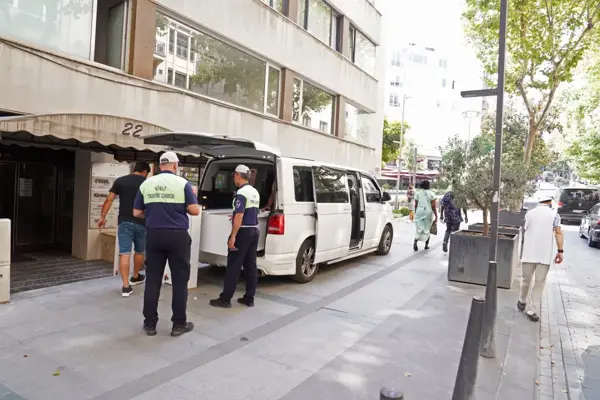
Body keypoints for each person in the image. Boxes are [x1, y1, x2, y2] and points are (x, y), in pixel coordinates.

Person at [133, 152, 200, 337]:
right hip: (177, 236)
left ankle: (150, 324)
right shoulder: (182, 184)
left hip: (154, 235)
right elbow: (194, 211)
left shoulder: (146, 184)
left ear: (159, 165)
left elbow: (136, 212)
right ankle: (179, 324)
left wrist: (155, 214)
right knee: (179, 281)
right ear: (175, 165)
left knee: (153, 280)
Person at [210, 165, 260, 308]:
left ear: (238, 175)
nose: (234, 178)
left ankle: (225, 299)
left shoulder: (241, 193)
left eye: (234, 176)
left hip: (243, 232)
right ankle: (249, 297)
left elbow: (239, 215)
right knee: (250, 266)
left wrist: (233, 236)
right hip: (254, 230)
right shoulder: (254, 192)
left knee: (234, 266)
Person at [99, 161, 151, 297]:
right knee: (140, 251)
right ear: (144, 171)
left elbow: (109, 199)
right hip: (141, 222)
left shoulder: (120, 181)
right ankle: (135, 277)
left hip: (124, 221)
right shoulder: (147, 183)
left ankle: (126, 286)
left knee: (125, 253)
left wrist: (102, 217)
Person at [517, 196, 564, 322]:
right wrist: (560, 251)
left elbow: (525, 230)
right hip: (544, 255)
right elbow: (558, 233)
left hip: (529, 253)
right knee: (539, 282)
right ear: (550, 202)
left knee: (526, 279)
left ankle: (522, 300)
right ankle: (532, 309)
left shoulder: (529, 214)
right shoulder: (555, 216)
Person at [440, 186, 469, 253]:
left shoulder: (447, 194)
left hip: (448, 215)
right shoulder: (461, 196)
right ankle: (454, 246)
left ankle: (445, 241)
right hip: (456, 215)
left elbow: (442, 205)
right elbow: (464, 207)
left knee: (448, 229)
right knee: (455, 231)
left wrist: (441, 215)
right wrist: (466, 216)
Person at [413, 180, 437, 251]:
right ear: (428, 185)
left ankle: (415, 241)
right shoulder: (432, 194)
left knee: (419, 227)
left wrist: (416, 212)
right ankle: (426, 245)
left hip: (419, 211)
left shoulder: (418, 193)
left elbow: (416, 205)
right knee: (427, 228)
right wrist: (436, 215)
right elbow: (433, 206)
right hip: (428, 212)